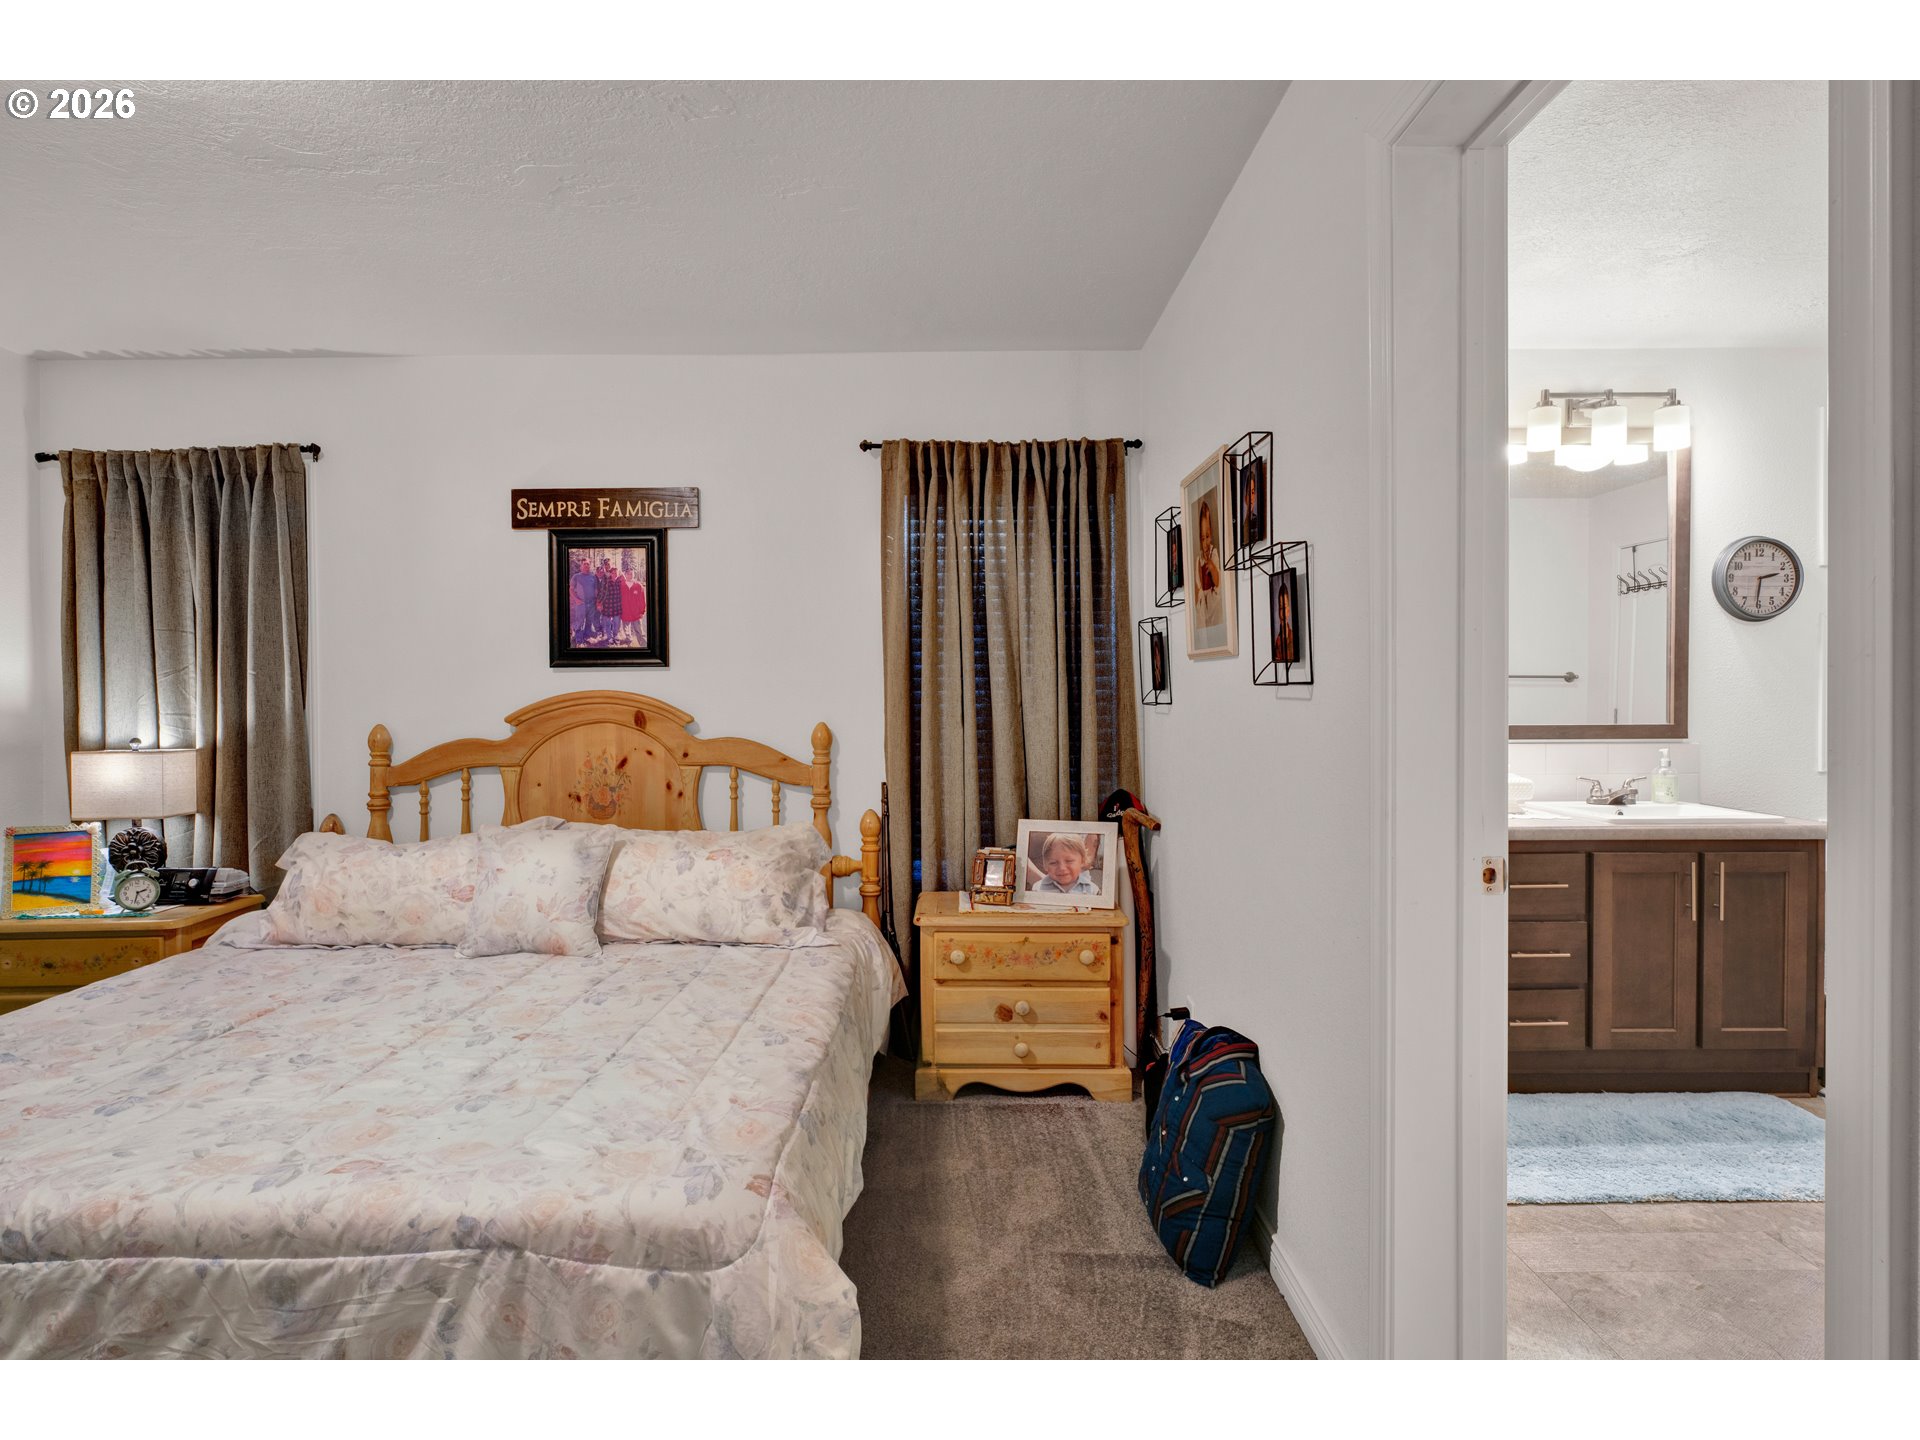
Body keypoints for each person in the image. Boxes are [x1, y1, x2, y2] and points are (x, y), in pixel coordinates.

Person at [1031, 832, 1100, 895]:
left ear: (1082, 861)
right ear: (1045, 865)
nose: (1062, 868)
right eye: (1053, 863)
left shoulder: (1092, 890)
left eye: (1069, 861)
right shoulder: (1037, 889)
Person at [1192, 495, 1223, 631]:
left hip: (1212, 600)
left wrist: (1210, 564)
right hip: (1202, 605)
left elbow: (1217, 581)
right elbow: (1197, 586)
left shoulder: (1213, 553)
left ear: (1211, 535)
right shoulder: (1198, 559)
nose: (1205, 542)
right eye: (1202, 538)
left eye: (1208, 536)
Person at [569, 554, 598, 645]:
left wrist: (596, 601)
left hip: (591, 604)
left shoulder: (593, 577)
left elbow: (596, 590)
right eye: (584, 564)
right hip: (581, 604)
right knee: (580, 622)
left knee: (589, 621)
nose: (586, 565)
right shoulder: (576, 576)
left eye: (588, 564)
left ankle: (587, 636)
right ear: (581, 566)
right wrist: (576, 600)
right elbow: (571, 589)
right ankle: (579, 640)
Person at [620, 557, 647, 646]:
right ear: (625, 575)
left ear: (633, 574)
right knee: (627, 631)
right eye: (628, 574)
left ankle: (643, 645)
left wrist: (642, 612)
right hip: (625, 613)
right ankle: (629, 643)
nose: (629, 575)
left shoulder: (638, 586)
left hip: (636, 614)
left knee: (639, 631)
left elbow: (642, 600)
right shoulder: (622, 586)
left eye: (631, 574)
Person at [596, 557, 623, 643]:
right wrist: (599, 602)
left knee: (617, 622)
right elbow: (602, 591)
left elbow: (624, 587)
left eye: (609, 564)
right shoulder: (604, 576)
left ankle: (616, 635)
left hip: (616, 603)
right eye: (606, 564)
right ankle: (609, 636)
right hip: (607, 603)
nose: (607, 566)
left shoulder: (619, 576)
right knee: (607, 622)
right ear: (604, 566)